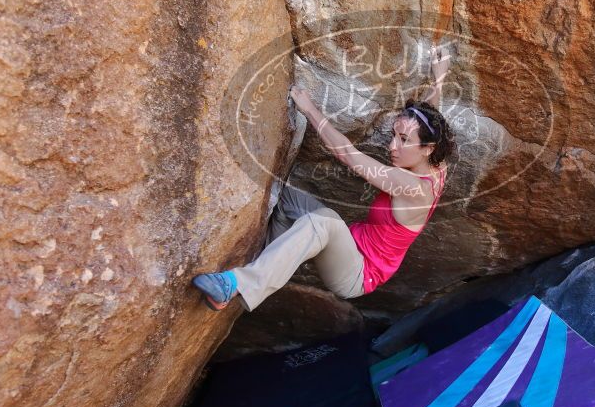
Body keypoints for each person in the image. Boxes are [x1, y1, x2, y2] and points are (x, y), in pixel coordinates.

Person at [192, 44, 456, 311]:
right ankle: (262, 267)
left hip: (358, 273)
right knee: (285, 197)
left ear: (426, 149)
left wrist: (310, 109)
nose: (392, 146)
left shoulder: (413, 188)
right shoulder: (436, 164)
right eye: (394, 136)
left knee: (324, 223)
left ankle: (236, 285)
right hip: (349, 242)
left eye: (403, 140)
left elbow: (349, 156)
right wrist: (439, 79)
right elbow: (430, 124)